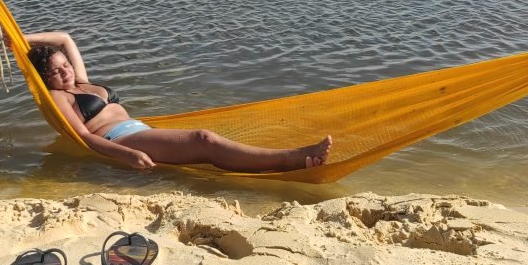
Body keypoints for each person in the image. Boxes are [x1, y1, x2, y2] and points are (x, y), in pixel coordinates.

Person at [21, 31, 332, 172]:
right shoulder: (57, 98)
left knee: (207, 144)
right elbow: (87, 138)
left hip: (141, 130)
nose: (66, 72)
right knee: (203, 140)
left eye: (66, 66)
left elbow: (64, 39)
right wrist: (128, 155)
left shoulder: (81, 81)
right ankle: (291, 159)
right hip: (124, 139)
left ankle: (276, 162)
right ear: (43, 78)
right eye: (55, 71)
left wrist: (21, 39)